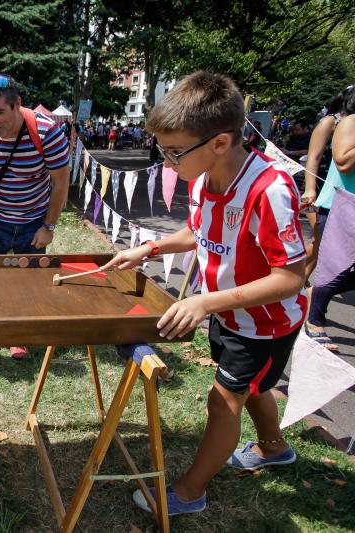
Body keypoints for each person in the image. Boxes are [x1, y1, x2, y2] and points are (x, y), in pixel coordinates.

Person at [102, 71, 306, 516]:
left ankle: (190, 493)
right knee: (252, 388)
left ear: (219, 142)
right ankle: (274, 448)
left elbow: (290, 278)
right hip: (228, 313)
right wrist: (148, 248)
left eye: (174, 151)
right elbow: (198, 231)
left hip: (264, 323)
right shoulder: (201, 180)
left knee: (224, 399)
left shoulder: (268, 189)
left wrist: (202, 302)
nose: (166, 162)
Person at [0, 73, 70, 360]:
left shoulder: (46, 132)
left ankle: (19, 335)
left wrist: (48, 226)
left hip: (34, 220)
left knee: (29, 281)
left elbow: (61, 183)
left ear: (17, 104)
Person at [306, 86, 355, 353]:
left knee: (321, 256)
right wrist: (309, 188)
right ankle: (311, 313)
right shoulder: (335, 122)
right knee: (325, 257)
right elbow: (315, 157)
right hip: (337, 200)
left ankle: (307, 290)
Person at [301, 86, 354, 282]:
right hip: (323, 194)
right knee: (319, 245)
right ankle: (279, 270)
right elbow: (313, 157)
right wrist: (310, 188)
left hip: (344, 192)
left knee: (319, 247)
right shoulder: (331, 122)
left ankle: (300, 282)